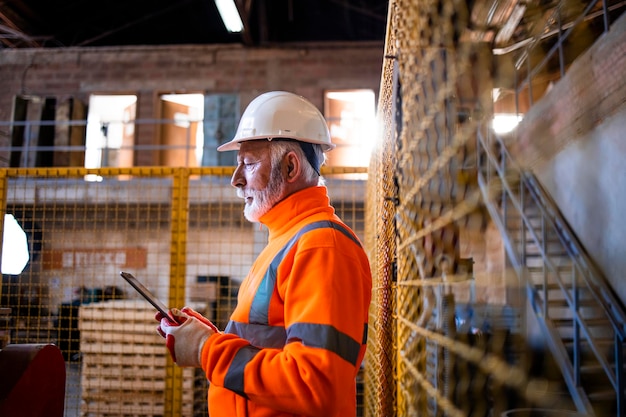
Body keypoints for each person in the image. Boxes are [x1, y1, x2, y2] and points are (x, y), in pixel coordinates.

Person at [155, 91, 373, 417]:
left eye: (248, 163)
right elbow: (268, 345)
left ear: (290, 166)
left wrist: (205, 349)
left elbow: (314, 383)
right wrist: (209, 335)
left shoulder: (321, 247)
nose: (235, 179)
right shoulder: (287, 241)